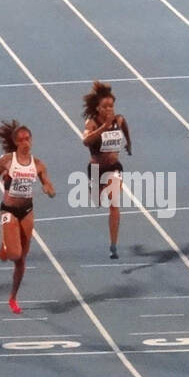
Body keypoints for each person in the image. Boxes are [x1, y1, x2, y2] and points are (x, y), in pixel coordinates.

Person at [0, 121, 56, 315]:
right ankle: (5, 245)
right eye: (21, 139)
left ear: (31, 140)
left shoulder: (38, 164)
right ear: (15, 142)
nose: (25, 142)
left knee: (21, 259)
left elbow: (49, 186)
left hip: (27, 211)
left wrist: (49, 190)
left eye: (27, 139)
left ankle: (13, 297)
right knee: (14, 254)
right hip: (9, 210)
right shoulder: (7, 160)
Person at [82, 81, 132, 259]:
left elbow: (125, 128)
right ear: (98, 108)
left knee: (114, 203)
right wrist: (103, 127)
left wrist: (129, 144)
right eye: (105, 106)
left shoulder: (119, 120)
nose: (109, 109)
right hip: (96, 168)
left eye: (111, 105)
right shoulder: (92, 123)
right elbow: (86, 141)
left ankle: (113, 245)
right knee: (97, 202)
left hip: (114, 167)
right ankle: (93, 189)